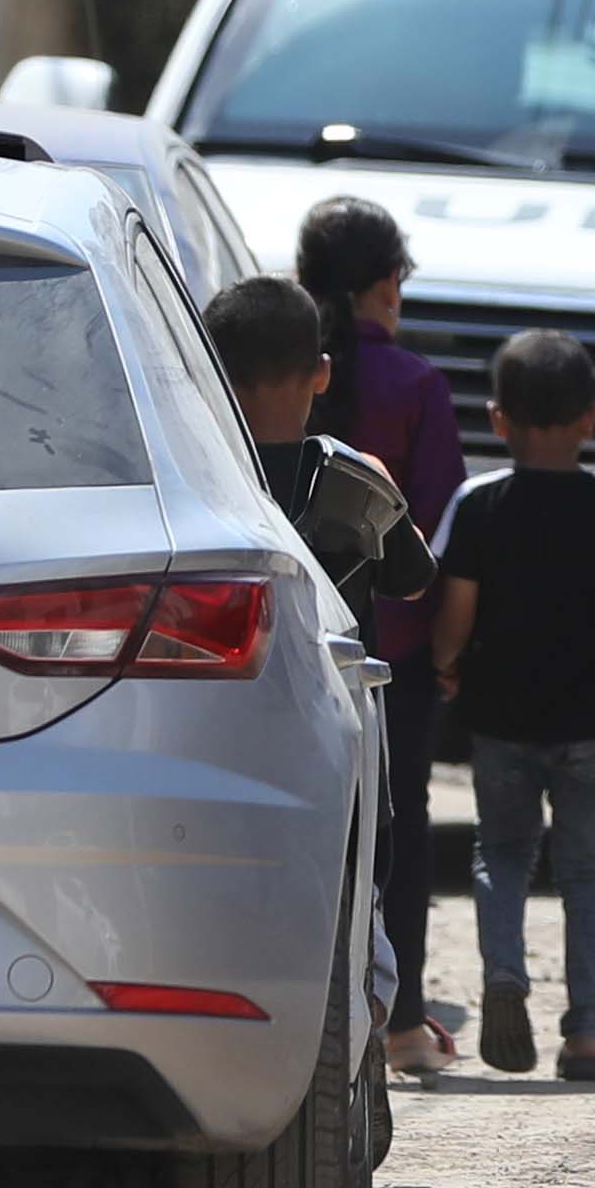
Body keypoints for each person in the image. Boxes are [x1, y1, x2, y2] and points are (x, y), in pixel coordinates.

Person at [206, 272, 444, 1071]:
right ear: (322, 372)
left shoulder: (204, 478)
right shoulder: (354, 475)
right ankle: (359, 1048)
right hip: (340, 733)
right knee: (352, 894)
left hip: (225, 728)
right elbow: (413, 577)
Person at [429, 327, 595, 1081]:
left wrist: (445, 664)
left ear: (498, 418)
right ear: (591, 419)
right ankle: (586, 1035)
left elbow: (456, 607)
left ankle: (505, 974)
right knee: (588, 873)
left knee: (502, 855)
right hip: (590, 722)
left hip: (501, 721)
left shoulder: (478, 502)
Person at [294, 198, 464, 1048]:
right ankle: (396, 1018)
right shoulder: (418, 386)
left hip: (287, 644)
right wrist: (447, 647)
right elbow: (441, 532)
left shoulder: (278, 376)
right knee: (399, 823)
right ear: (390, 283)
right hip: (392, 652)